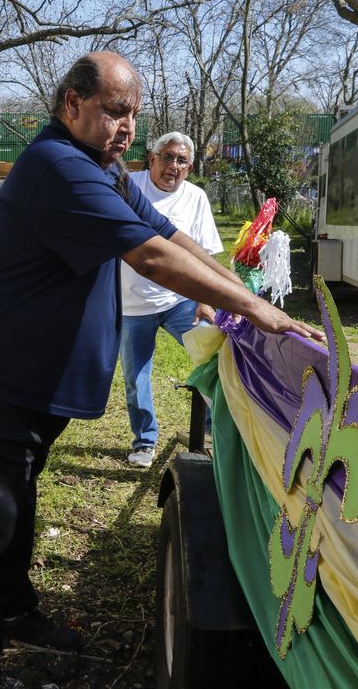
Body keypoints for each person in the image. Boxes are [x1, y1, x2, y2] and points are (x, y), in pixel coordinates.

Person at [0, 51, 323, 689]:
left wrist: (249, 292)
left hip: (31, 380)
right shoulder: (57, 166)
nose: (127, 127)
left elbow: (171, 236)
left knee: (18, 507)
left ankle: (15, 610)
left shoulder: (105, 172)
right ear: (71, 105)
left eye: (134, 114)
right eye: (114, 110)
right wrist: (255, 311)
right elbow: (151, 259)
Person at [119, 132, 221, 468]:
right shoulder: (127, 185)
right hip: (132, 304)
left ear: (189, 168)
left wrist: (205, 301)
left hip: (180, 300)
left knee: (212, 362)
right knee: (136, 379)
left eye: (181, 160)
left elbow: (205, 253)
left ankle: (212, 432)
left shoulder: (196, 198)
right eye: (167, 157)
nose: (172, 166)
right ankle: (145, 441)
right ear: (152, 159)